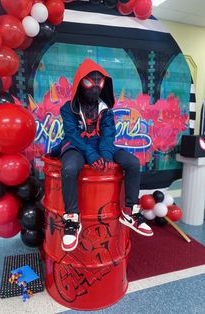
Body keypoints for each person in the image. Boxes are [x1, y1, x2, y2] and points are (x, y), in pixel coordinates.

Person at [51, 59, 153, 252]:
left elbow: (108, 134)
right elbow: (72, 134)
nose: (95, 87)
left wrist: (105, 154)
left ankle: (129, 210)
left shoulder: (105, 109)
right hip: (76, 144)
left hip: (100, 144)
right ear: (80, 83)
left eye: (100, 83)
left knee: (132, 163)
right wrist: (90, 153)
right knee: (70, 168)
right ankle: (72, 218)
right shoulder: (68, 108)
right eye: (90, 82)